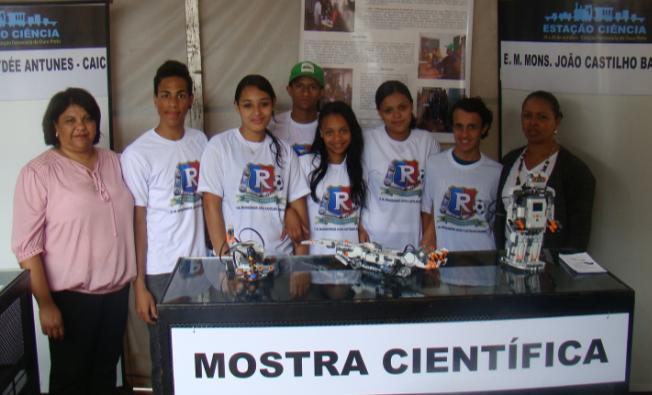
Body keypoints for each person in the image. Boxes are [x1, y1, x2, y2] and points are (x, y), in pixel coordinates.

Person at [12, 88, 135, 394]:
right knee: (71, 380)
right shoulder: (38, 173)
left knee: (105, 376)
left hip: (116, 294)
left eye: (87, 118)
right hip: (70, 299)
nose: (80, 126)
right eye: (69, 120)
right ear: (55, 126)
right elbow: (27, 248)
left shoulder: (117, 162)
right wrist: (45, 304)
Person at [120, 60, 207, 393]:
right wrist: (139, 284)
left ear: (190, 99)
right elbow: (137, 222)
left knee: (201, 354)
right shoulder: (138, 153)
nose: (173, 103)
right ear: (155, 100)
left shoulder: (201, 142)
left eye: (180, 95)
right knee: (165, 359)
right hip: (160, 271)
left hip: (201, 267)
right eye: (166, 95)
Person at [199, 74, 310, 255]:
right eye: (248, 105)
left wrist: (301, 265)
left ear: (273, 103)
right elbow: (212, 206)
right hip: (237, 261)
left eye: (264, 104)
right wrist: (225, 259)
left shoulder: (286, 152)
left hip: (280, 260)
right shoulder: (220, 146)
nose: (257, 112)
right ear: (237, 107)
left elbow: (300, 211)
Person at [495, 90, 596, 251]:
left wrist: (558, 272)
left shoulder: (576, 171)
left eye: (542, 117)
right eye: (527, 116)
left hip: (550, 270)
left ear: (557, 121)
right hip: (508, 262)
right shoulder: (509, 161)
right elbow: (500, 217)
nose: (533, 123)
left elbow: (578, 237)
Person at [361, 80, 440, 250]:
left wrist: (429, 233)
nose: (396, 115)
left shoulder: (427, 142)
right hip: (373, 239)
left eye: (402, 108)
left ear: (412, 106)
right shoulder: (368, 140)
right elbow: (356, 189)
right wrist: (358, 227)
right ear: (379, 113)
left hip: (414, 240)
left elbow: (434, 196)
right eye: (388, 110)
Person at [421, 97, 501, 251]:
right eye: (459, 126)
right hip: (443, 263)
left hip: (483, 263)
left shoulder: (497, 172)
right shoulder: (434, 164)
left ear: (483, 128)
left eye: (472, 127)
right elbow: (428, 212)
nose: (464, 134)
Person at [300, 101, 366, 254]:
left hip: (350, 263)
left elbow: (361, 213)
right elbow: (294, 207)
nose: (337, 138)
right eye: (330, 132)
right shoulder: (306, 164)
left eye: (343, 131)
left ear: (352, 131)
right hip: (316, 260)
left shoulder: (361, 167)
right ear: (321, 133)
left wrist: (360, 226)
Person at [270, 60, 324, 156]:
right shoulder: (273, 125)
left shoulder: (329, 125)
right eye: (299, 86)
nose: (306, 93)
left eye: (313, 87)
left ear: (321, 93)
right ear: (289, 90)